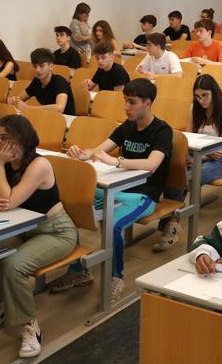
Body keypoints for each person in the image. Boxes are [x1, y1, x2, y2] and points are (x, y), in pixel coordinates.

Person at [0, 115, 77, 358]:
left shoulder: (39, 165)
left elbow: (8, 202)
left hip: (55, 232)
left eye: (4, 138)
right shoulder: (1, 158)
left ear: (21, 139)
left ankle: (30, 326)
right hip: (22, 230)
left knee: (13, 265)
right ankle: (3, 304)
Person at [52, 79, 172, 300]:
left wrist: (116, 162)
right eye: (125, 101)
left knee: (114, 226)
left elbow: (152, 164)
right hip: (114, 189)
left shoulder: (162, 130)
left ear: (148, 103)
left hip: (143, 194)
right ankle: (79, 271)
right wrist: (81, 153)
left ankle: (116, 277)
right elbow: (98, 151)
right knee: (71, 207)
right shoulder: (127, 126)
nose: (126, 107)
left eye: (132, 102)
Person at [153, 74, 222, 252]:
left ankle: (171, 222)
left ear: (214, 93)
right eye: (198, 96)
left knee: (187, 178)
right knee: (176, 172)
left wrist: (201, 157)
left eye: (205, 95)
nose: (201, 100)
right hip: (198, 156)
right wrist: (190, 156)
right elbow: (189, 138)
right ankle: (171, 220)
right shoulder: (194, 110)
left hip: (219, 161)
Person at [9, 48, 75, 115]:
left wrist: (28, 108)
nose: (38, 70)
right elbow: (20, 98)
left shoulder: (60, 82)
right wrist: (14, 100)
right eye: (35, 66)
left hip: (67, 120)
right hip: (48, 117)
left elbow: (60, 108)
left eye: (41, 66)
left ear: (51, 67)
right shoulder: (37, 81)